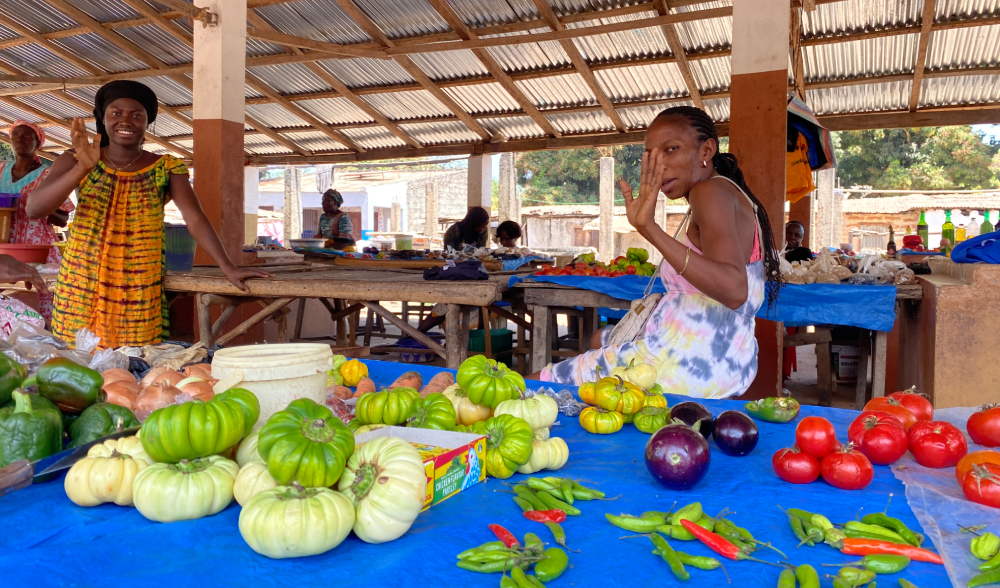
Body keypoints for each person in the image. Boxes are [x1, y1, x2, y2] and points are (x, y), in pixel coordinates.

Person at [530, 106, 782, 399]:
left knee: (533, 387)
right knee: (600, 338)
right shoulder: (725, 193)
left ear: (707, 150)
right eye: (651, 156)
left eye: (671, 149)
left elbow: (733, 288)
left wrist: (649, 228)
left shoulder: (708, 193)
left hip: (686, 360)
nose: (659, 165)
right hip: (728, 357)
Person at [28, 80, 271, 348]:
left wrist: (228, 266)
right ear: (103, 118)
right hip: (80, 282)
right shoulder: (75, 159)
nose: (126, 121)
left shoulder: (165, 167)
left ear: (148, 121)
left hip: (138, 285)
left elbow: (194, 217)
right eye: (116, 113)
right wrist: (82, 168)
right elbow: (35, 209)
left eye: (137, 115)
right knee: (75, 365)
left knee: (135, 366)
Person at [0, 121, 74, 320]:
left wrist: (38, 208)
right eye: (15, 135)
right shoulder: (0, 169)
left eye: (26, 136)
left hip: (37, 249)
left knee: (39, 298)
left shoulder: (47, 175)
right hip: (4, 248)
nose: (19, 140)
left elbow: (63, 218)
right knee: (7, 302)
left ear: (37, 143)